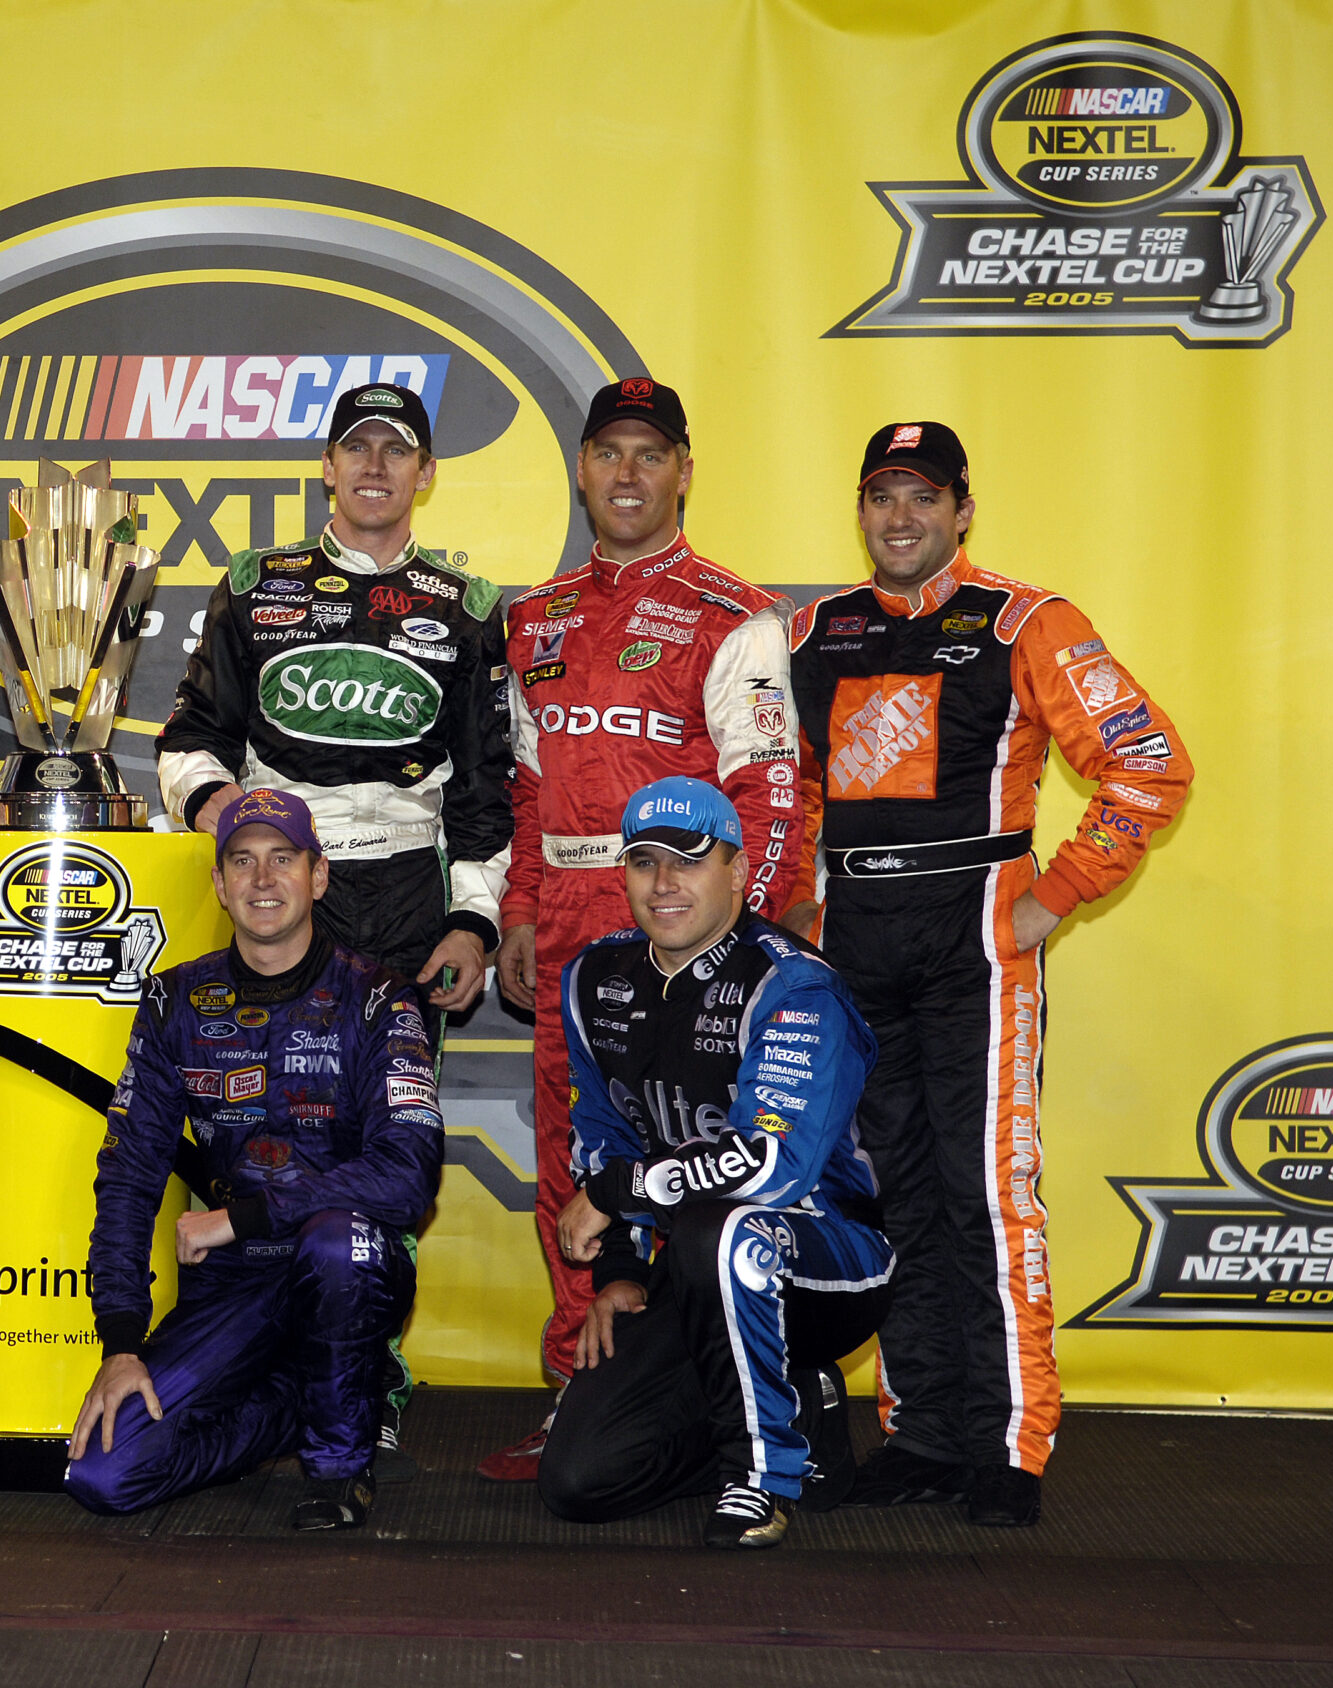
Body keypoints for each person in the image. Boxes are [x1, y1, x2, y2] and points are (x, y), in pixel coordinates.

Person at [784, 422, 1193, 1527]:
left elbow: (1148, 765)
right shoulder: (819, 630)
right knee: (892, 1194)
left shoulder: (1025, 620)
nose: (899, 517)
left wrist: (1053, 895)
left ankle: (1011, 1441)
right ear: (860, 509)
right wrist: (807, 919)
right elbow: (804, 795)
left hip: (974, 943)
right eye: (880, 496)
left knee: (986, 1192)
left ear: (962, 509)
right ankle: (921, 1431)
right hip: (855, 947)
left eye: (922, 496)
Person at [483, 377, 803, 1480]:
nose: (627, 472)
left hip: (677, 924)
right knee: (574, 1161)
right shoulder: (533, 617)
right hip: (571, 917)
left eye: (649, 453)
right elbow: (527, 792)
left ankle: (715, 1385)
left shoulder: (734, 613)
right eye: (608, 452)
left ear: (683, 471)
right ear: (580, 469)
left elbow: (767, 798)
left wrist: (733, 948)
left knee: (693, 1152)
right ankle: (580, 1384)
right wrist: (520, 908)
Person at [65, 790, 442, 1531]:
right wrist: (120, 1342)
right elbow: (130, 1172)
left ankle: (338, 1468)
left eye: (282, 860)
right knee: (103, 1475)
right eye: (242, 861)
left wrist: (244, 1217)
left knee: (339, 1242)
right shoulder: (177, 999)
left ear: (318, 876)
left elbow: (409, 1173)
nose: (262, 880)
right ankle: (301, 1403)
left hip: (341, 1264)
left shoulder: (380, 999)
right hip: (233, 1287)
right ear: (218, 883)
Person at [537, 777, 892, 1549]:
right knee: (580, 1481)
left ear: (736, 870)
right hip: (698, 1269)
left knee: (720, 1228)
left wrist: (623, 1191)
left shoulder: (793, 985)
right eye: (643, 862)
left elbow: (772, 1165)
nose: (663, 885)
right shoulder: (597, 978)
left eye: (690, 862)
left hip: (829, 1254)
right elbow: (603, 1133)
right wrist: (621, 1272)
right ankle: (795, 1401)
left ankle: (761, 1479)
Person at [156, 381, 511, 1027]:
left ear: (425, 471)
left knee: (396, 1102)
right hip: (284, 872)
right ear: (328, 464)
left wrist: (472, 921)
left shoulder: (467, 607)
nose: (374, 467)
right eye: (356, 447)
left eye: (396, 451)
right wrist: (211, 798)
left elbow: (484, 789)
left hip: (409, 883)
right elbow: (192, 735)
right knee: (275, 1095)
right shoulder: (255, 584)